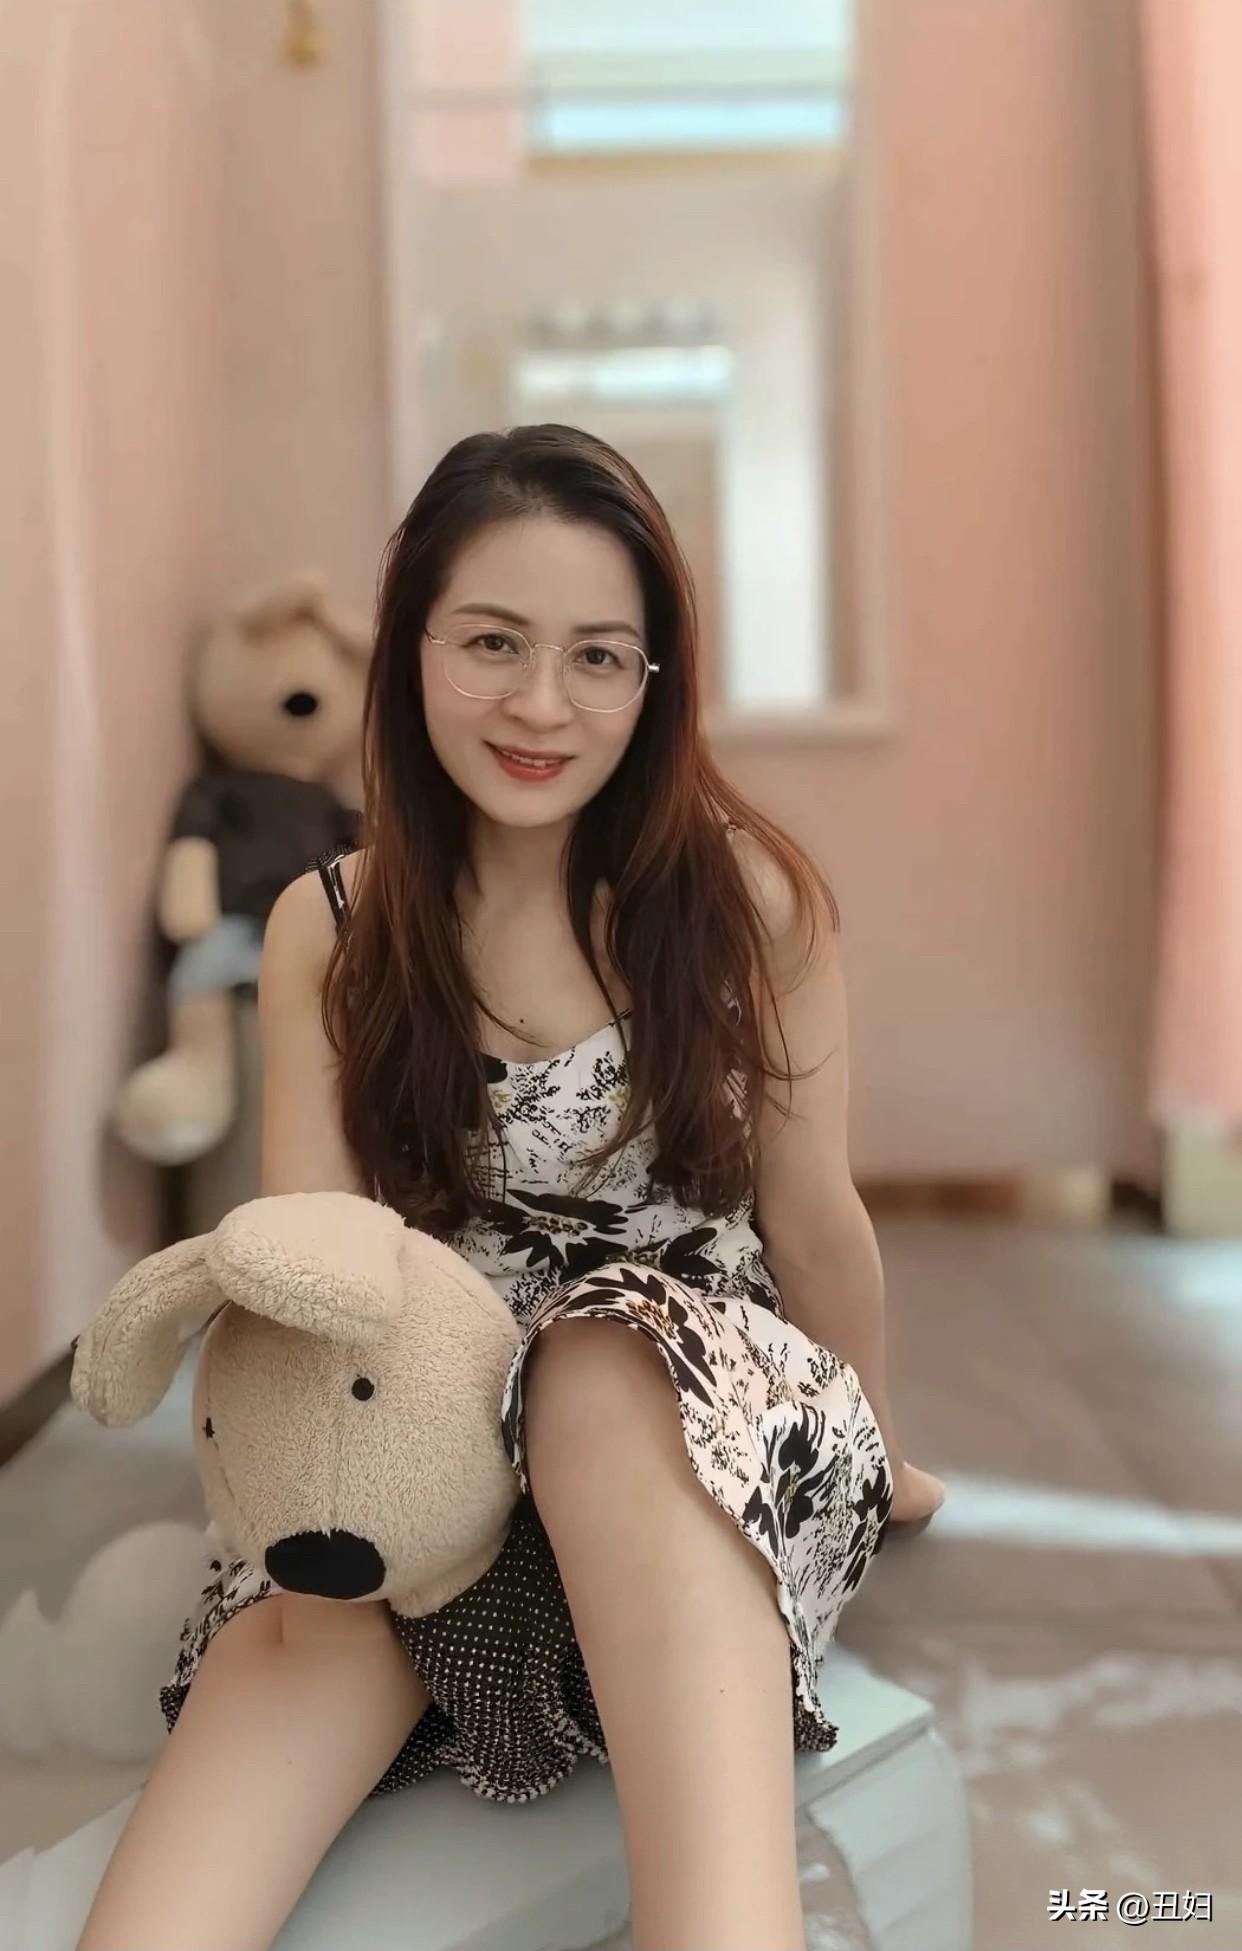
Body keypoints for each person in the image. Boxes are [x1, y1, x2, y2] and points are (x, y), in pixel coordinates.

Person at [77, 424, 945, 1951]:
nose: (543, 704)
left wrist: (874, 1461)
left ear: (652, 680)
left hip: (682, 1414)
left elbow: (813, 1216)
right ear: (410, 646)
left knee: (603, 1363)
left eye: (598, 657)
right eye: (491, 642)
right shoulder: (327, 927)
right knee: (335, 1607)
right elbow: (320, 1279)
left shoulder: (745, 902)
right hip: (438, 1437)